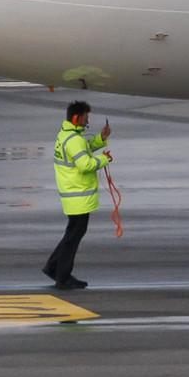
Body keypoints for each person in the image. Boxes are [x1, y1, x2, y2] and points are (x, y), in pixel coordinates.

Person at [47, 100, 112, 289]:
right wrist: (104, 159)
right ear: (77, 118)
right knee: (73, 236)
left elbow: (83, 150)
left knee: (72, 233)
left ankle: (53, 267)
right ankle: (62, 276)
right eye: (86, 118)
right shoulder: (74, 139)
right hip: (78, 194)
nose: (87, 121)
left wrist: (100, 139)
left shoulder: (67, 135)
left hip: (73, 193)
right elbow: (85, 164)